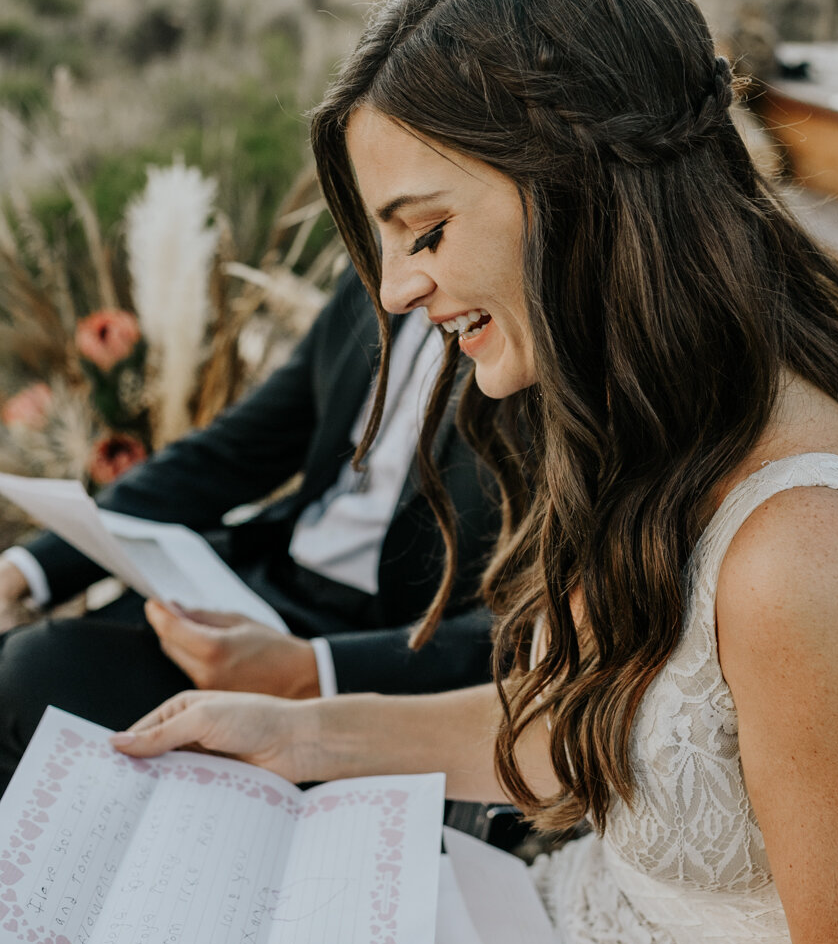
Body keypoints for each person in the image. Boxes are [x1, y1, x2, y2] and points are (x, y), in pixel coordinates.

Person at [2, 0, 838, 944]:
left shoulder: (805, 553)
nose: (401, 288)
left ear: (578, 187)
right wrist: (303, 732)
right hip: (545, 933)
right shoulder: (648, 433)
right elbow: (586, 732)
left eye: (425, 231)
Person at [0, 260, 501, 795]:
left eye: (423, 225)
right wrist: (24, 569)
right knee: (21, 659)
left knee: (34, 674)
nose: (392, 276)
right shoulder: (382, 262)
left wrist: (316, 671)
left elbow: (536, 626)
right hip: (249, 581)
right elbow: (234, 451)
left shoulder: (549, 343)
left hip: (389, 662)